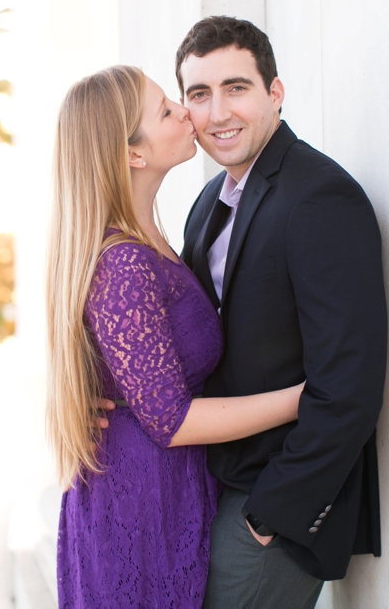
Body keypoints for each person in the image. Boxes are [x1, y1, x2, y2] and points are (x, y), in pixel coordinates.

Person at [46, 65, 308, 608]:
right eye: (167, 109)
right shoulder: (124, 265)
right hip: (140, 506)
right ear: (133, 154)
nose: (187, 112)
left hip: (165, 489)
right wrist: (304, 400)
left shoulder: (156, 237)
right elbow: (171, 420)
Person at [176, 17, 388, 608]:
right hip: (219, 487)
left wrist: (271, 516)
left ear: (275, 92)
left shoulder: (319, 197)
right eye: (199, 94)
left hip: (275, 505)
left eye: (236, 87)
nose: (218, 112)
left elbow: (349, 385)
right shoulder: (207, 203)